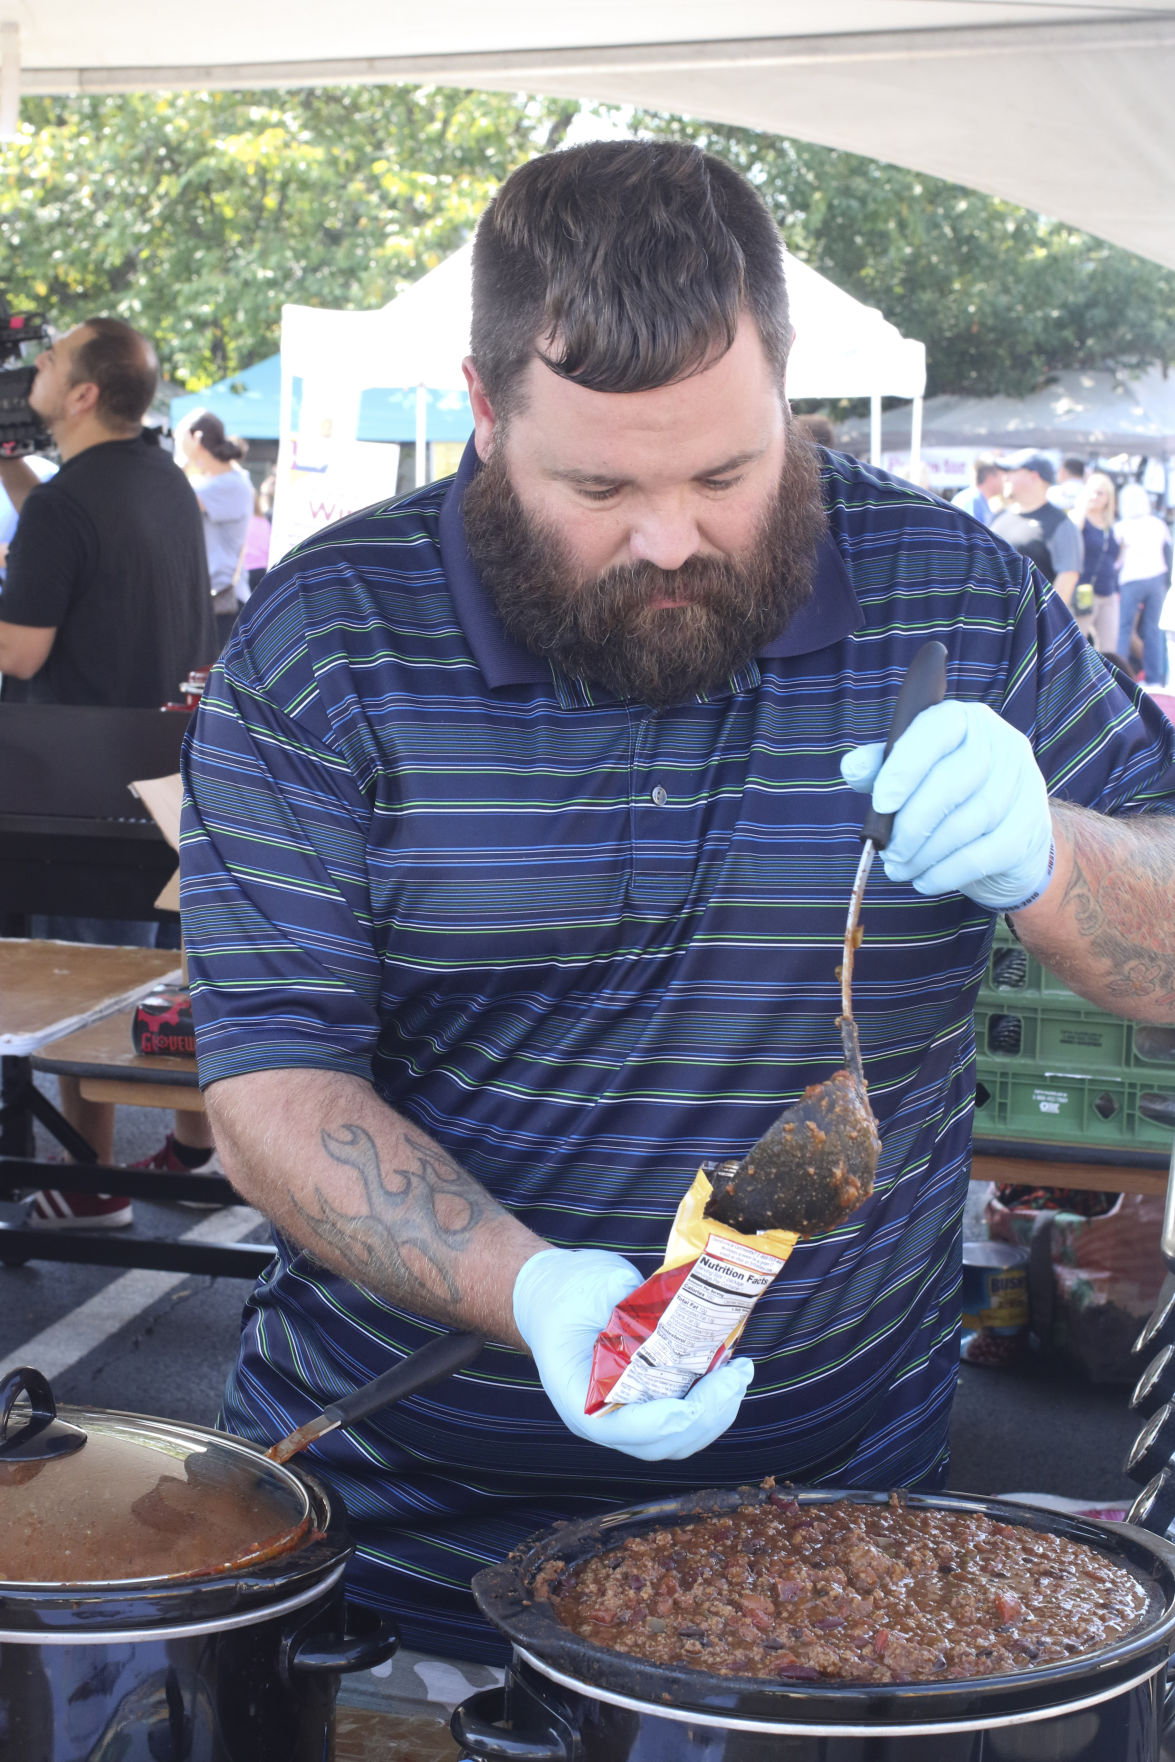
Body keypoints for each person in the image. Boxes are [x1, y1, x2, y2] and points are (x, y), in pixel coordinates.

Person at [179, 141, 1175, 1664]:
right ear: (481, 407)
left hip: (843, 1539)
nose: (669, 536)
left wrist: (1048, 849)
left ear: (785, 388)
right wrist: (540, 1293)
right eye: (598, 484)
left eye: (725, 472)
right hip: (388, 1523)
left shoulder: (954, 594)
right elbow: (267, 1081)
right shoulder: (326, 640)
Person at [0, 317, 219, 1225]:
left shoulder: (62, 508)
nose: (33, 370)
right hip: (168, 767)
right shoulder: (160, 479)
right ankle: (200, 1156)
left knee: (76, 975)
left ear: (85, 392)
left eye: (47, 363)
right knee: (161, 966)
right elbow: (69, 526)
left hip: (76, 774)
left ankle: (90, 1185)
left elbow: (20, 653)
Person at [179, 411, 254, 650]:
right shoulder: (218, 482)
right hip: (212, 600)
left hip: (224, 602)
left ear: (198, 441)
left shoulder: (231, 484)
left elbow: (170, 496)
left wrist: (187, 458)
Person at [990, 451, 1081, 606]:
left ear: (1034, 476)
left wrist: (1043, 625)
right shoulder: (999, 518)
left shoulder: (1059, 524)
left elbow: (1067, 577)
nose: (1004, 477)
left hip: (1030, 624)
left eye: (1010, 471)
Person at [1115, 481, 1173, 687]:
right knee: (1153, 629)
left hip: (1130, 581)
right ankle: (1154, 679)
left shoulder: (1120, 527)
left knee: (1123, 628)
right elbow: (1168, 551)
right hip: (1157, 579)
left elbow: (1116, 560)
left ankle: (1119, 678)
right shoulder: (1158, 524)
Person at [1072, 472, 1120, 650]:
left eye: (1100, 493)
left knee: (1108, 649)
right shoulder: (1080, 519)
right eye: (1092, 492)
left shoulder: (1110, 524)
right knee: (1077, 645)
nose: (1095, 497)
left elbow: (1114, 556)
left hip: (1108, 592)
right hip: (1084, 591)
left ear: (1108, 498)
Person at [950, 456, 1003, 526]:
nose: (1005, 480)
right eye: (1001, 477)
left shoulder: (973, 497)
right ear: (990, 477)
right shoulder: (973, 500)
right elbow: (974, 534)